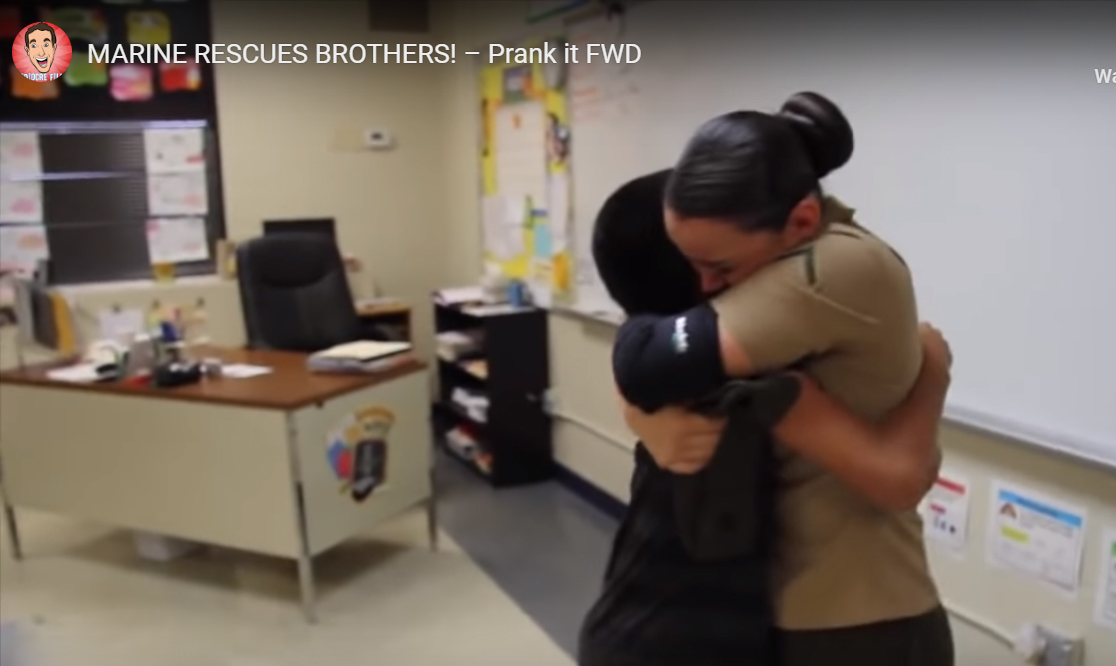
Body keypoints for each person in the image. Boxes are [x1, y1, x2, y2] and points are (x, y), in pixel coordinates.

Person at [619, 92, 954, 665]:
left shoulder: (829, 269)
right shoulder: (778, 256)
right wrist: (643, 417)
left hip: (857, 621)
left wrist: (934, 377)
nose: (705, 287)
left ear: (801, 221)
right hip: (780, 608)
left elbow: (646, 361)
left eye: (719, 267)